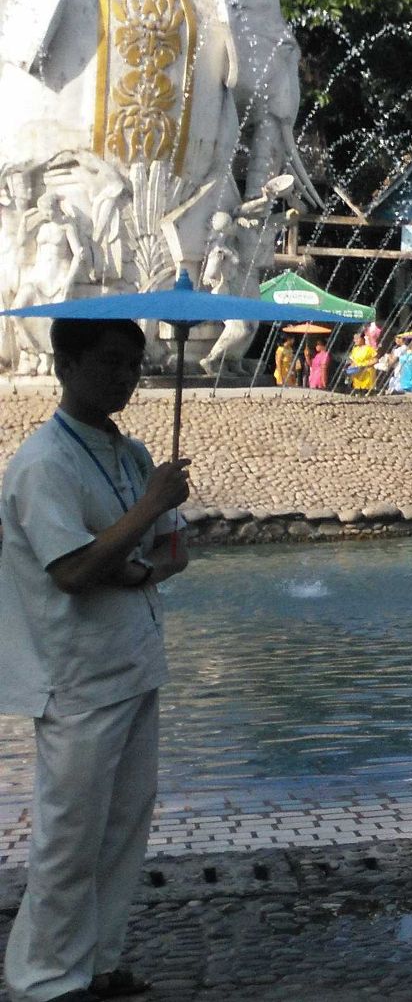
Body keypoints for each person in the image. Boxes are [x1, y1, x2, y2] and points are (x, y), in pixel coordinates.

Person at [0, 319, 191, 1002]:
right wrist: (147, 512)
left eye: (135, 365)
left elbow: (166, 554)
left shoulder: (132, 453)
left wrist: (155, 530)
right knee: (69, 835)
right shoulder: (43, 463)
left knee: (122, 826)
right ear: (67, 363)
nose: (125, 378)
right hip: (76, 674)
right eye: (110, 362)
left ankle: (98, 961)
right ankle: (42, 979)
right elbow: (75, 569)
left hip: (135, 661)